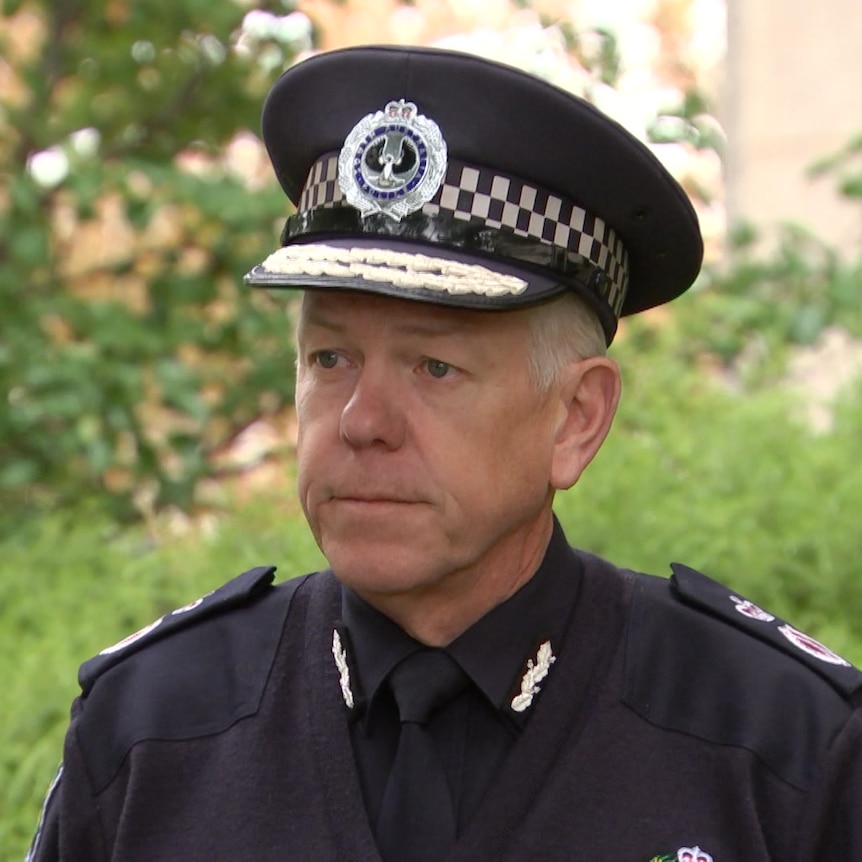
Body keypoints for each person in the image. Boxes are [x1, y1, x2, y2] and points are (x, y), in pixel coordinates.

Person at [30, 45, 862, 861]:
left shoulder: (773, 746)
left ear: (577, 417)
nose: (361, 420)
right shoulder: (153, 729)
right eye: (330, 359)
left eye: (435, 366)